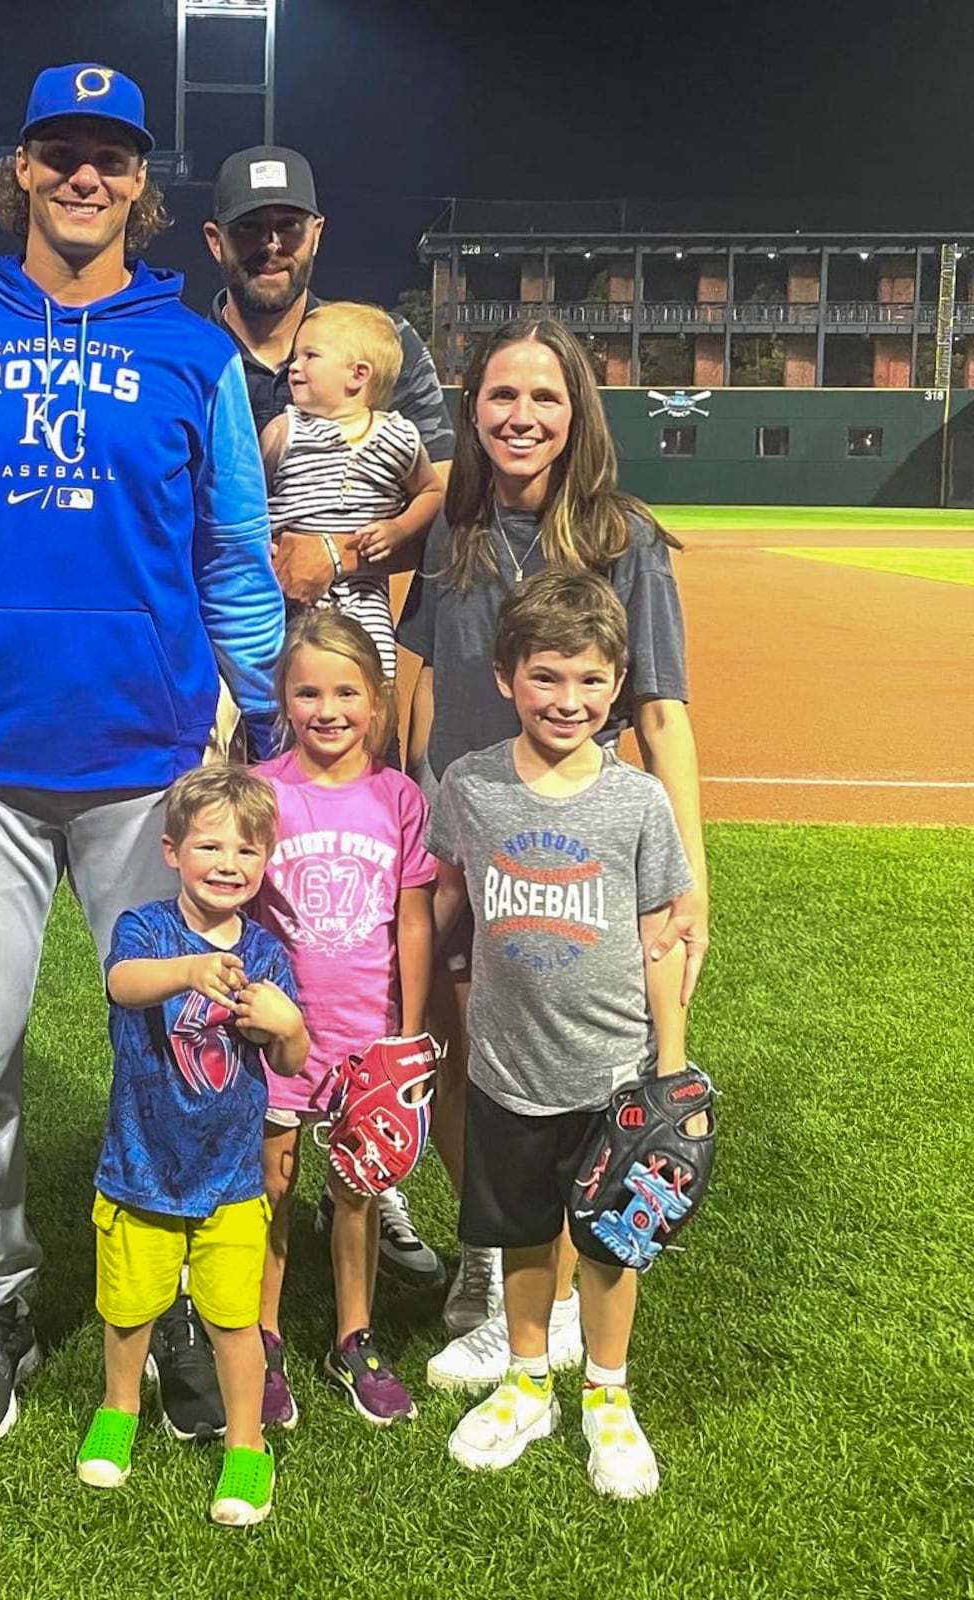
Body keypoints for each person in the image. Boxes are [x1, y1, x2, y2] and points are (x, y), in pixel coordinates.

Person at [0, 63, 283, 1448]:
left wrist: (264, 712)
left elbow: (233, 548)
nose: (84, 176)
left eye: (111, 158)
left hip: (149, 765)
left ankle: (172, 1299)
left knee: (181, 1042)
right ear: (19, 168)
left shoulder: (194, 354)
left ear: (139, 185)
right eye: (60, 151)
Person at [396, 317, 709, 1380]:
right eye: (501, 395)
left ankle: (562, 1300)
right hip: (462, 835)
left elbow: (660, 713)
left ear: (577, 413)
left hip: (571, 850)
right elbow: (426, 677)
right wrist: (405, 805)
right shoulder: (456, 531)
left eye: (545, 397)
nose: (521, 416)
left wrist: (689, 884)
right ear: (471, 409)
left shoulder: (623, 539)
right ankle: (493, 1258)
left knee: (571, 1075)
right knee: (462, 1058)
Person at [205, 141, 455, 1298]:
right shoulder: (191, 352)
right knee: (230, 895)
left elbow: (444, 485)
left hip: (339, 673)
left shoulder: (380, 348)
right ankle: (229, 1157)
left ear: (313, 234)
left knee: (356, 887)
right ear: (217, 241)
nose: (271, 243)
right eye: (250, 227)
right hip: (225, 676)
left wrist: (345, 554)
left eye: (288, 225)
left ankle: (368, 1155)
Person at [426, 568, 694, 1498]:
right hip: (507, 1065)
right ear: (506, 676)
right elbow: (445, 899)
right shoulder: (471, 785)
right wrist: (408, 1004)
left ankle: (607, 1394)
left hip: (614, 1072)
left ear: (617, 683)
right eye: (545, 676)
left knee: (613, 1241)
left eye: (589, 679)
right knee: (523, 1234)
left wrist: (670, 1067)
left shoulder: (638, 802)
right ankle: (528, 1379)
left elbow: (661, 938)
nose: (567, 699)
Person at [76, 766, 307, 1527]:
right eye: (210, 846)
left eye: (247, 850)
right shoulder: (145, 929)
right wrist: (190, 971)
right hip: (140, 1166)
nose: (228, 864)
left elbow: (291, 1062)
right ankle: (118, 1409)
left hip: (231, 1177)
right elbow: (123, 984)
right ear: (172, 850)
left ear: (265, 860)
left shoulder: (267, 954)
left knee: (234, 1320)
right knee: (129, 1309)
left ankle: (247, 1446)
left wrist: (288, 1026)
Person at [250, 610, 435, 1428]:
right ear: (284, 699)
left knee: (356, 1191)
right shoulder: (263, 792)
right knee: (272, 1187)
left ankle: (353, 1338)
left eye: (346, 693)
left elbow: (414, 920)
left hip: (369, 1036)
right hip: (281, 1037)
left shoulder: (398, 798)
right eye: (308, 693)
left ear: (377, 700)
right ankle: (261, 1336)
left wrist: (410, 1033)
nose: (327, 711)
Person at [260, 300, 444, 679]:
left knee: (374, 676)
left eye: (309, 356)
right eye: (295, 356)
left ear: (358, 375)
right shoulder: (284, 430)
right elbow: (251, 503)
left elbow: (432, 493)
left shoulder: (398, 436)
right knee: (291, 678)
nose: (293, 366)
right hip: (290, 594)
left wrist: (400, 528)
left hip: (364, 593)